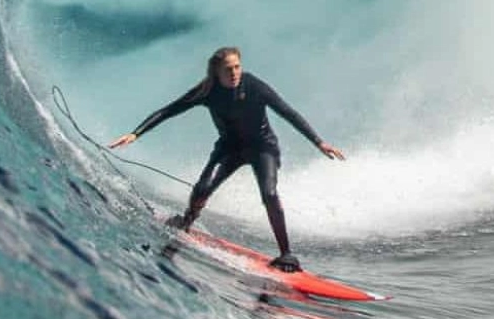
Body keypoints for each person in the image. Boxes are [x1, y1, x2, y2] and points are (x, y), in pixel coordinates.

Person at [109, 46, 345, 273]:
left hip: (263, 147)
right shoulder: (207, 90)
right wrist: (136, 133)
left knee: (270, 194)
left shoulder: (254, 86)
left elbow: (288, 113)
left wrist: (318, 142)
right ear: (216, 73)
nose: (234, 73)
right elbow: (170, 110)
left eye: (237, 67)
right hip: (229, 148)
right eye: (228, 69)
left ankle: (286, 254)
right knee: (202, 189)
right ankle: (186, 222)